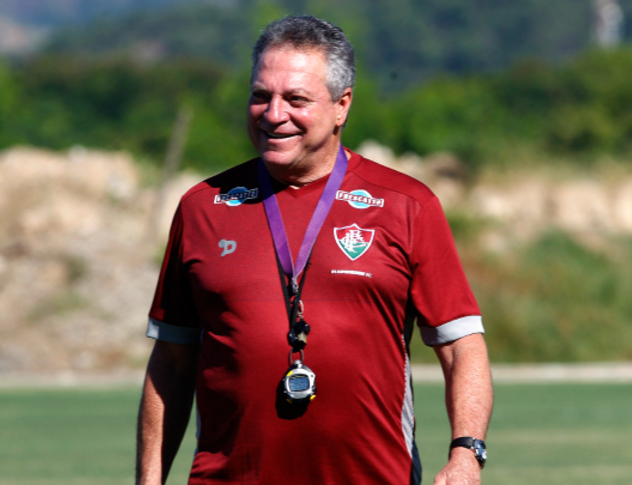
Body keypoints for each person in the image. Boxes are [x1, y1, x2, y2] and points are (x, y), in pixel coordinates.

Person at [136, 15, 493, 485]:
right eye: (260, 95)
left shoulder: (407, 205)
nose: (273, 113)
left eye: (296, 99)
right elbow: (171, 363)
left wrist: (466, 452)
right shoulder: (203, 207)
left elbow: (462, 346)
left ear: (341, 106)